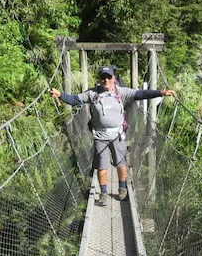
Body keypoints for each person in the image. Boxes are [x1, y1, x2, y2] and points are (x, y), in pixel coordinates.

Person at [50, 66, 175, 205]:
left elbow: (141, 94)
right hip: (100, 136)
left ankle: (122, 188)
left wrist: (161, 92)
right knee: (102, 166)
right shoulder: (92, 94)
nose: (106, 80)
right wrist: (60, 94)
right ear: (100, 79)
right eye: (103, 77)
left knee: (121, 163)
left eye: (109, 77)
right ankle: (103, 193)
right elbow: (74, 100)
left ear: (113, 78)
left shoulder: (121, 92)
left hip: (117, 135)